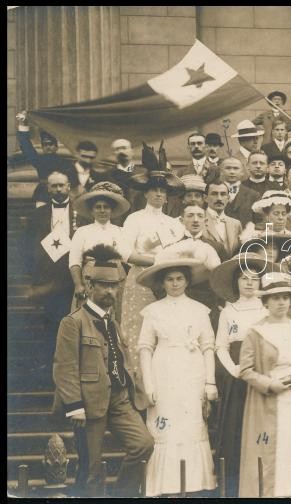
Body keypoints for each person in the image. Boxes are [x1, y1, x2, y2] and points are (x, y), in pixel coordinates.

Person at [52, 245, 154, 497]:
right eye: (105, 286)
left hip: (119, 400)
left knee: (143, 445)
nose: (110, 291)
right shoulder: (73, 322)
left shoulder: (113, 324)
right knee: (91, 468)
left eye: (114, 286)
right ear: (90, 286)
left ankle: (121, 494)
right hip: (89, 404)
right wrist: (75, 406)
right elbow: (64, 368)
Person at [137, 250, 217, 496]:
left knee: (191, 423)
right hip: (163, 372)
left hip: (192, 372)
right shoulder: (152, 311)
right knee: (166, 425)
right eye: (169, 279)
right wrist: (148, 385)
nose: (174, 283)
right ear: (162, 283)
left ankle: (193, 482)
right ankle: (163, 484)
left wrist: (210, 382)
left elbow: (208, 347)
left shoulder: (200, 310)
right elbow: (145, 348)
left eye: (179, 278)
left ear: (187, 281)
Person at [238, 273, 291, 497]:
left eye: (285, 298)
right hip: (268, 400)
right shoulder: (255, 332)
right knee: (272, 448)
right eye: (275, 298)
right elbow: (246, 370)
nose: (281, 303)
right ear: (265, 302)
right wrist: (270, 384)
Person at [119, 149, 185, 379]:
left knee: (166, 329)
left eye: (162, 191)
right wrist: (158, 261)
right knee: (138, 329)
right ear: (146, 193)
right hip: (140, 280)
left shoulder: (174, 224)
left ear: (167, 196)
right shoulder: (134, 219)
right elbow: (126, 253)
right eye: (154, 190)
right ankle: (139, 383)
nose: (158, 194)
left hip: (167, 281)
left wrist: (167, 264)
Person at [208, 253, 270, 497]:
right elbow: (220, 346)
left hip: (262, 374)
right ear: (236, 282)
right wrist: (234, 369)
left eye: (254, 278)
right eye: (244, 278)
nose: (249, 282)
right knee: (236, 426)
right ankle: (234, 481)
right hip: (237, 377)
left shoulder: (267, 309)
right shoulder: (229, 311)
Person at [27, 171, 85, 350]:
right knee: (51, 323)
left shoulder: (82, 213)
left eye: (61, 185)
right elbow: (27, 245)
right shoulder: (38, 215)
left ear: (68, 186)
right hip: (49, 278)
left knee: (75, 322)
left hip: (74, 277)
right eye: (54, 186)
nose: (58, 189)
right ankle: (52, 359)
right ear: (48, 188)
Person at [68, 183, 132, 315]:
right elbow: (74, 261)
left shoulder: (121, 231)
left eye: (106, 207)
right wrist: (78, 284)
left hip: (116, 279)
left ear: (111, 210)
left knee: (115, 317)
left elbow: (128, 258)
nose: (102, 210)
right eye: (98, 207)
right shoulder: (82, 232)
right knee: (90, 317)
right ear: (91, 211)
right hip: (91, 280)